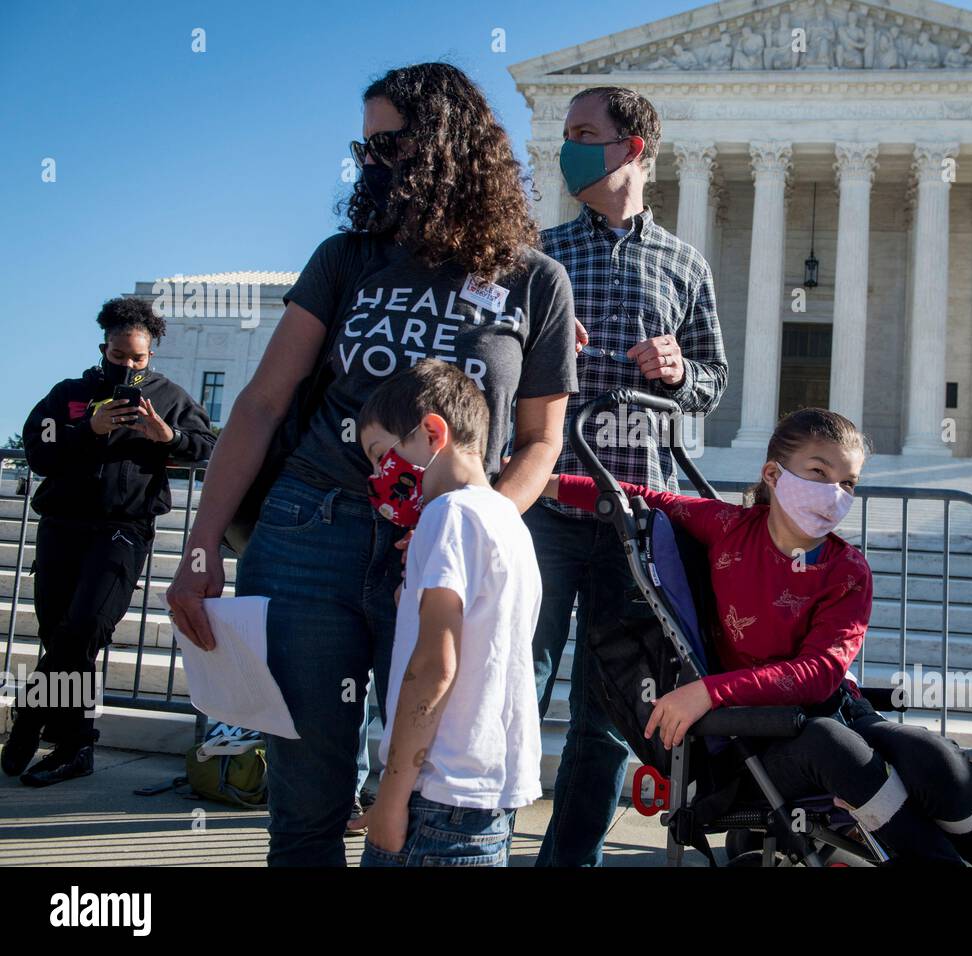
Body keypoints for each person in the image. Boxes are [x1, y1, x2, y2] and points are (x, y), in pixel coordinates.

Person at [166, 62, 576, 866]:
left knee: (420, 794)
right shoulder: (347, 258)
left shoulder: (535, 282)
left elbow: (539, 442)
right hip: (309, 529)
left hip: (433, 550)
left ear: (449, 143)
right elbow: (260, 405)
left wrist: (469, 518)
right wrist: (201, 543)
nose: (373, 162)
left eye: (392, 143)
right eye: (366, 148)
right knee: (307, 801)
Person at [541, 408, 972, 866]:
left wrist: (708, 691)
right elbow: (639, 498)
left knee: (934, 755)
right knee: (831, 743)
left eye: (848, 483)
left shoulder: (846, 570)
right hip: (750, 745)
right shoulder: (729, 528)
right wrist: (540, 482)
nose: (835, 494)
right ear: (773, 473)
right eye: (819, 473)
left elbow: (821, 675)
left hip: (829, 711)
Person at [530, 85, 728, 866]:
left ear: (633, 149)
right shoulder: (539, 254)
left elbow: (713, 378)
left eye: (584, 134)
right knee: (514, 679)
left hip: (634, 517)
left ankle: (566, 861)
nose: (567, 147)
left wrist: (681, 371)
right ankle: (470, 838)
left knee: (606, 715)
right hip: (543, 501)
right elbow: (497, 364)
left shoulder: (685, 264)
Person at [3, 297, 215, 784]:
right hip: (62, 527)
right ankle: (74, 748)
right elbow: (38, 451)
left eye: (137, 358)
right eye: (118, 356)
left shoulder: (170, 396)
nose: (127, 366)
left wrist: (168, 438)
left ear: (151, 355)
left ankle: (31, 718)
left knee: (84, 628)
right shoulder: (69, 393)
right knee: (60, 636)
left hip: (124, 528)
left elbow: (208, 448)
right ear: (104, 348)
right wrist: (88, 429)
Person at [349, 360, 542, 866]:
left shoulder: (446, 515)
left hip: (433, 798)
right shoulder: (508, 520)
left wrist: (390, 797)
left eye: (380, 455)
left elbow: (435, 667)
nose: (377, 476)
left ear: (433, 431)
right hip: (486, 799)